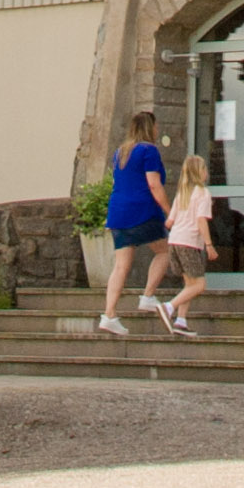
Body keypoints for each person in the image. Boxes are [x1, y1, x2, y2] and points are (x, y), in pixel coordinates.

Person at [96, 109, 170, 336]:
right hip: (142, 211)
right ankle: (148, 296)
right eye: (156, 126)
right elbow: (154, 185)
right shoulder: (149, 151)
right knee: (164, 251)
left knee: (120, 266)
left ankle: (109, 314)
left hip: (118, 214)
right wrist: (170, 212)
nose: (158, 130)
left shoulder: (121, 152)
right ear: (150, 127)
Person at [157, 152, 216, 337]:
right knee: (199, 285)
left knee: (189, 284)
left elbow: (170, 221)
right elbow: (201, 220)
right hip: (190, 244)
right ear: (199, 172)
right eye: (204, 168)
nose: (207, 172)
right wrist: (209, 244)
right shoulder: (203, 193)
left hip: (174, 242)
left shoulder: (182, 194)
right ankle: (169, 307)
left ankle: (181, 321)